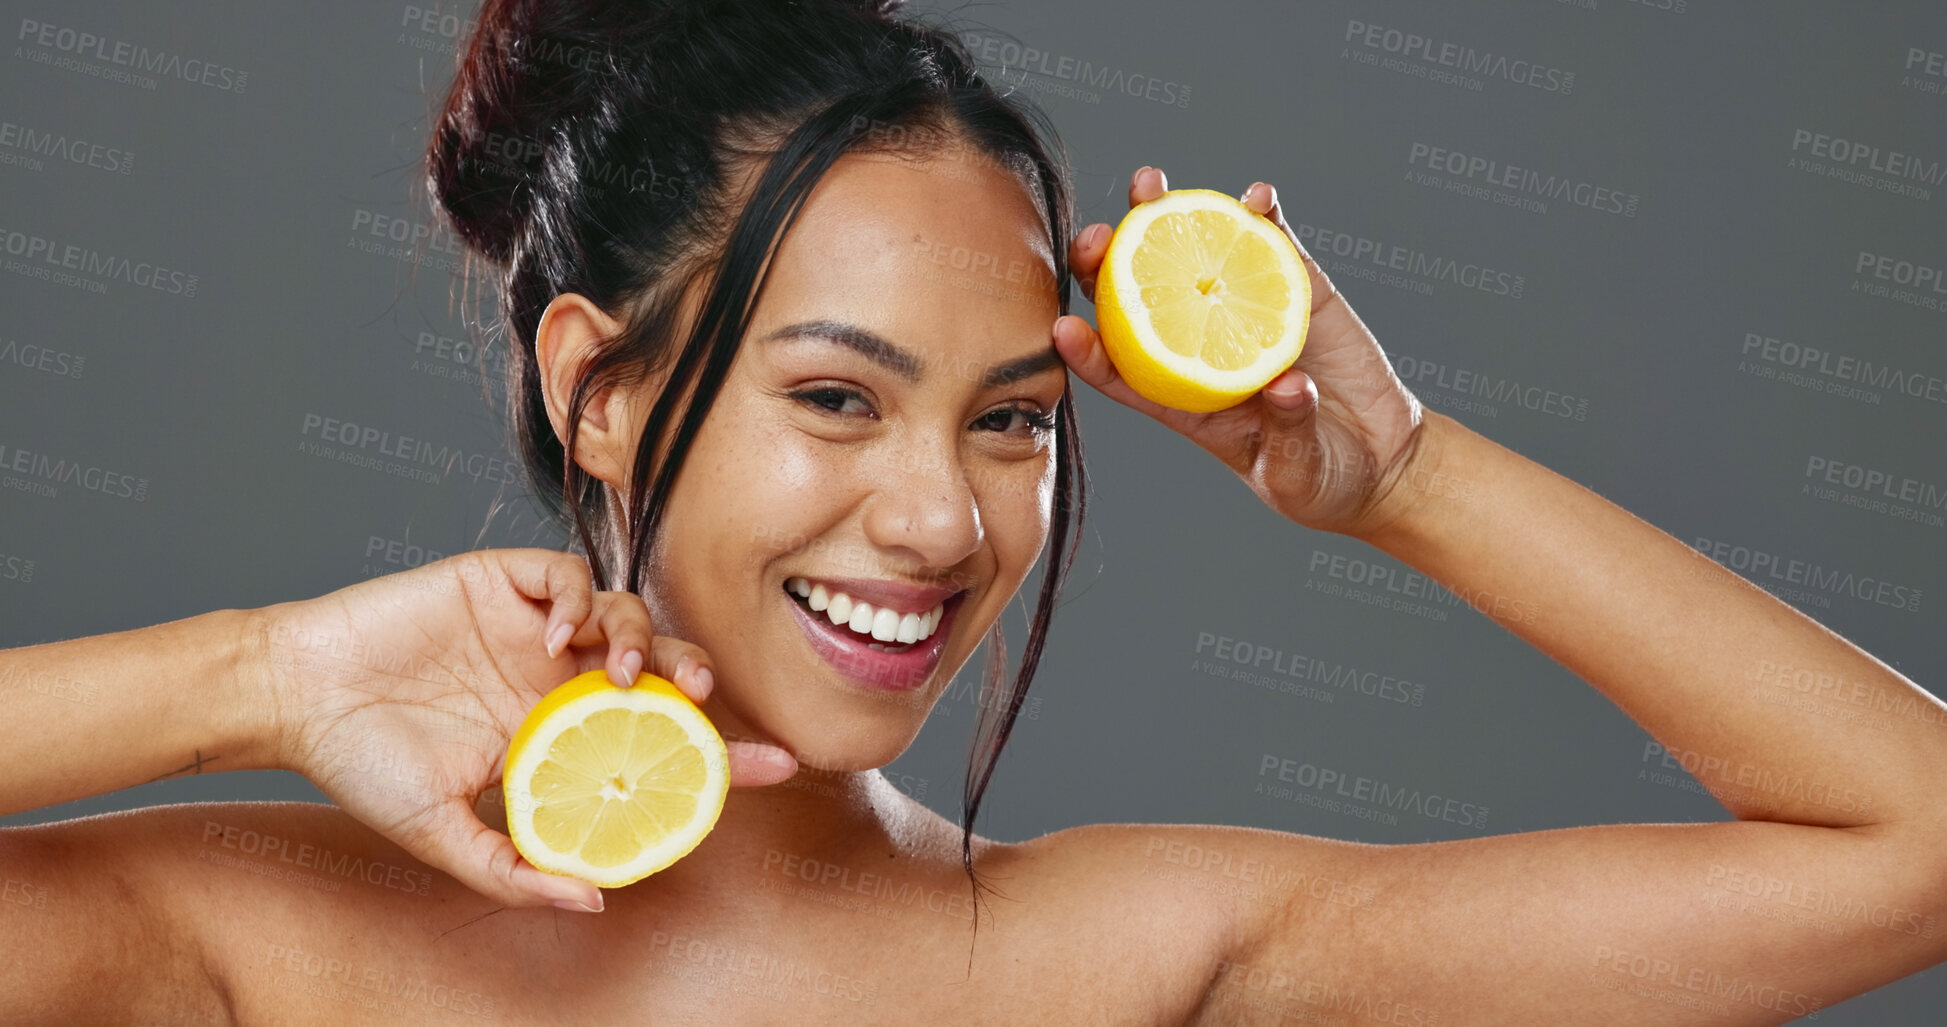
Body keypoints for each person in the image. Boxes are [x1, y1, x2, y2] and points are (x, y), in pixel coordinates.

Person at [3, 0, 1942, 1022]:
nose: (937, 519)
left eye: (1010, 419)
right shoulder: (251, 938)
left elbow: (1912, 848)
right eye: (834, 397)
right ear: (596, 390)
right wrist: (260, 673)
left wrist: (1409, 479)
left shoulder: (1123, 956)